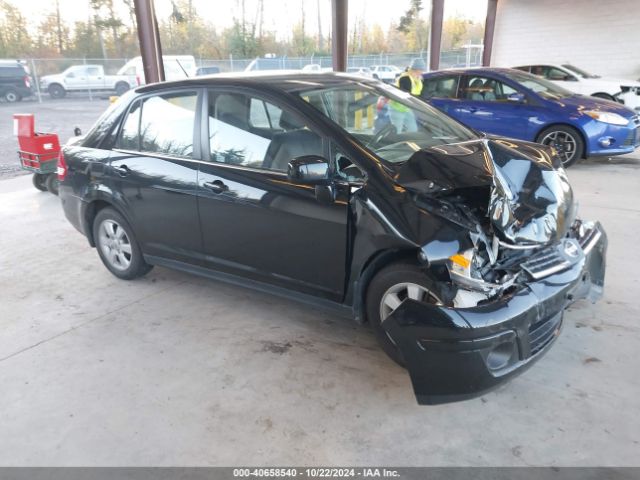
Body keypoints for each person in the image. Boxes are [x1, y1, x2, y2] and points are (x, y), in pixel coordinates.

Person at [389, 58, 426, 133]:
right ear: (415, 69)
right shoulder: (405, 78)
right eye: (421, 70)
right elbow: (407, 95)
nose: (422, 72)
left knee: (413, 129)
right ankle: (395, 143)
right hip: (397, 109)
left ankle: (409, 143)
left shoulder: (417, 79)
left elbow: (420, 93)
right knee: (397, 131)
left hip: (407, 108)